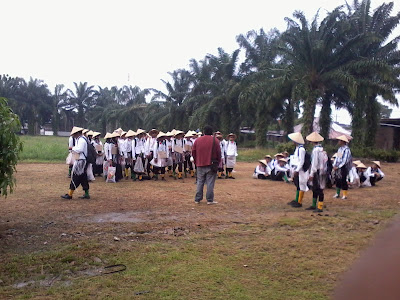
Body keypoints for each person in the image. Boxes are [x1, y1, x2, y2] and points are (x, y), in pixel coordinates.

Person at [192, 125, 221, 204]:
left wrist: (196, 161)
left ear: (204, 132)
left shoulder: (197, 140)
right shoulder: (215, 140)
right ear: (212, 132)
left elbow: (193, 152)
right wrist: (218, 162)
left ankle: (197, 199)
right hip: (211, 164)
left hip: (200, 163)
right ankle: (209, 200)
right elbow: (219, 153)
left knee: (200, 182)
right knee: (210, 182)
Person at [61, 127, 90, 199]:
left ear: (77, 133)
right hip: (81, 160)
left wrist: (72, 148)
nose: (73, 135)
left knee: (75, 177)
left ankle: (70, 194)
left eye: (74, 134)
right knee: (83, 178)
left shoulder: (81, 140)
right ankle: (86, 194)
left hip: (80, 161)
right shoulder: (81, 139)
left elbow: (80, 149)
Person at [306, 131, 327, 212]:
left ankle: (319, 206)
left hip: (317, 171)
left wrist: (311, 173)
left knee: (318, 189)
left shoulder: (315, 151)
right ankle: (314, 205)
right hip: (320, 170)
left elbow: (315, 163)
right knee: (316, 188)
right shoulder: (321, 149)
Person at [287, 132, 308, 208]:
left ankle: (299, 201)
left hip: (301, 170)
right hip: (296, 168)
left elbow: (301, 161)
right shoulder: (297, 149)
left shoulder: (301, 149)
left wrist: (297, 170)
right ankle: (297, 199)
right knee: (297, 184)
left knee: (301, 185)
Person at [332, 135, 352, 199]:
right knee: (337, 179)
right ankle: (337, 193)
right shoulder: (340, 149)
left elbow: (345, 160)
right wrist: (334, 165)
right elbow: (338, 158)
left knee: (343, 180)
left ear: (342, 141)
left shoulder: (346, 150)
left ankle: (344, 195)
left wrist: (339, 166)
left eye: (339, 140)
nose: (338, 142)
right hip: (338, 166)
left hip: (344, 167)